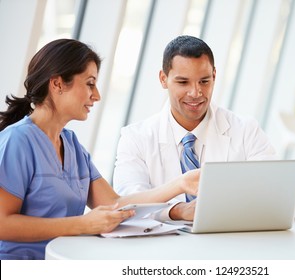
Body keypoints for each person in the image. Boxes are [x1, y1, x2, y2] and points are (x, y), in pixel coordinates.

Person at [0, 39, 199, 260]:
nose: (97, 95)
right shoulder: (17, 141)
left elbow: (115, 204)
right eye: (90, 83)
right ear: (57, 84)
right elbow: (3, 223)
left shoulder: (71, 144)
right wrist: (81, 224)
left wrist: (179, 184)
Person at [113, 35, 276, 222]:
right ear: (163, 79)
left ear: (214, 76)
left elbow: (276, 197)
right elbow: (129, 205)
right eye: (183, 82)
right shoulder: (135, 137)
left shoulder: (246, 130)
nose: (195, 93)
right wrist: (177, 210)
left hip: (230, 243)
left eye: (204, 81)